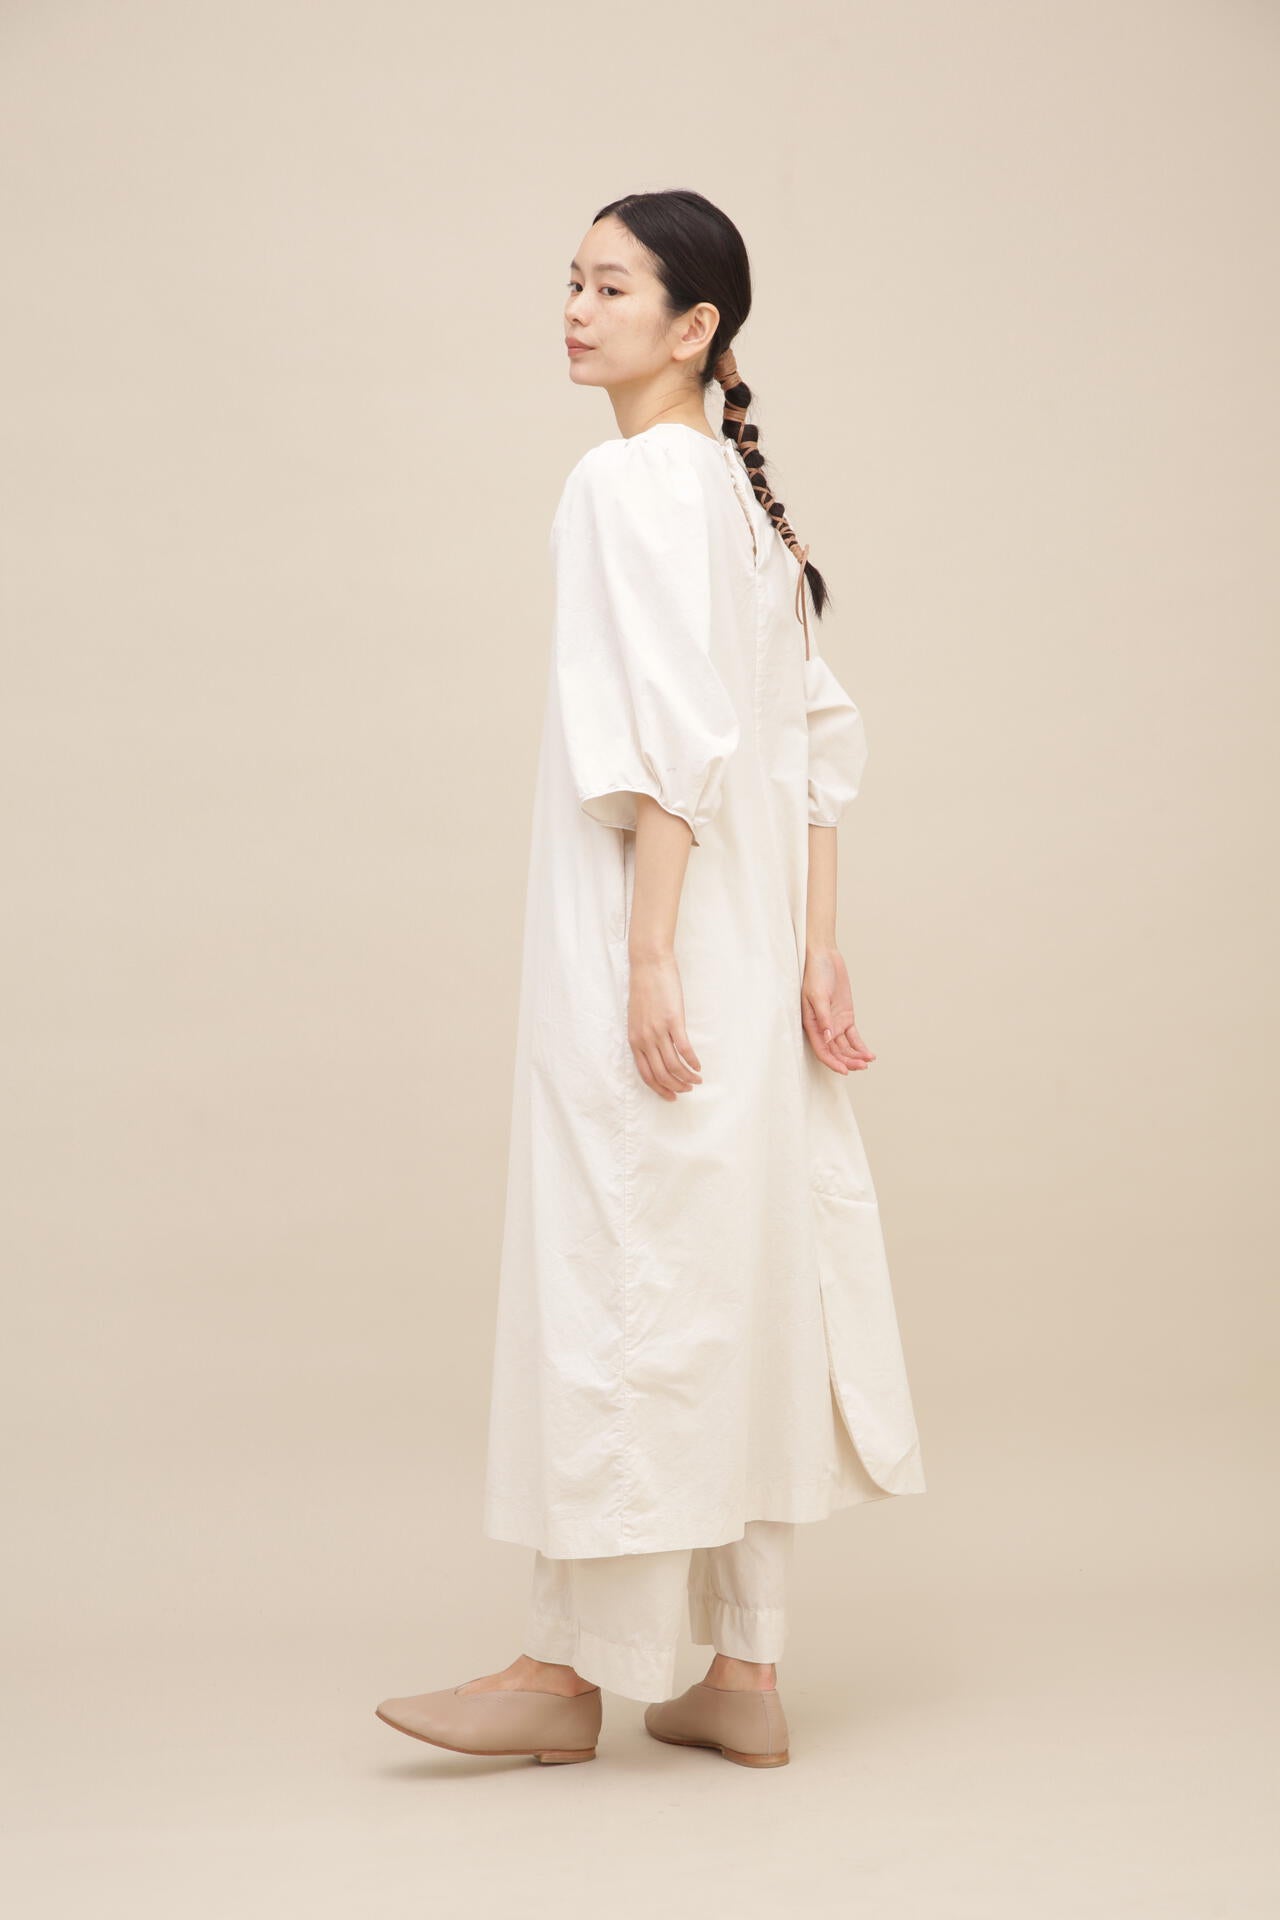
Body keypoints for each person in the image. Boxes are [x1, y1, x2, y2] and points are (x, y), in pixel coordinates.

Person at [376, 190, 925, 1769]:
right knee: (729, 1282)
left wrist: (641, 955)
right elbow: (817, 746)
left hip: (659, 943)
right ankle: (742, 1672)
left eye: (612, 287)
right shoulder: (748, 511)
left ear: (698, 327)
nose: (575, 308)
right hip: (749, 957)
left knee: (619, 1273)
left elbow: (675, 740)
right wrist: (817, 948)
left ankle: (565, 1674)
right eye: (572, 281)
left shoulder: (626, 482)